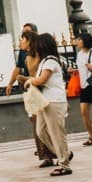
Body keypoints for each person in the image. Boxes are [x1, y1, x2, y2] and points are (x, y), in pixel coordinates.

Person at [25, 33, 73, 177]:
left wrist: (31, 81)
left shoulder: (51, 61)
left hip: (54, 101)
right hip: (44, 102)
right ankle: (66, 153)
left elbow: (42, 80)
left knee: (57, 133)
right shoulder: (44, 61)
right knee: (41, 132)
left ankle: (64, 164)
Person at [21, 28, 56, 167]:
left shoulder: (41, 57)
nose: (21, 43)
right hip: (34, 91)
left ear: (29, 41)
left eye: (23, 40)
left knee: (47, 127)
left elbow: (39, 77)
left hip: (43, 91)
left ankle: (58, 153)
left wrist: (27, 79)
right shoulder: (26, 57)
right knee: (37, 126)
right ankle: (46, 155)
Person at [5, 22, 38, 96]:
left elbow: (37, 75)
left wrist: (24, 78)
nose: (24, 35)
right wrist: (10, 84)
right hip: (29, 86)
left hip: (39, 86)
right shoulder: (23, 51)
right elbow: (18, 68)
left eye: (27, 32)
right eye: (23, 33)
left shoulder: (40, 49)